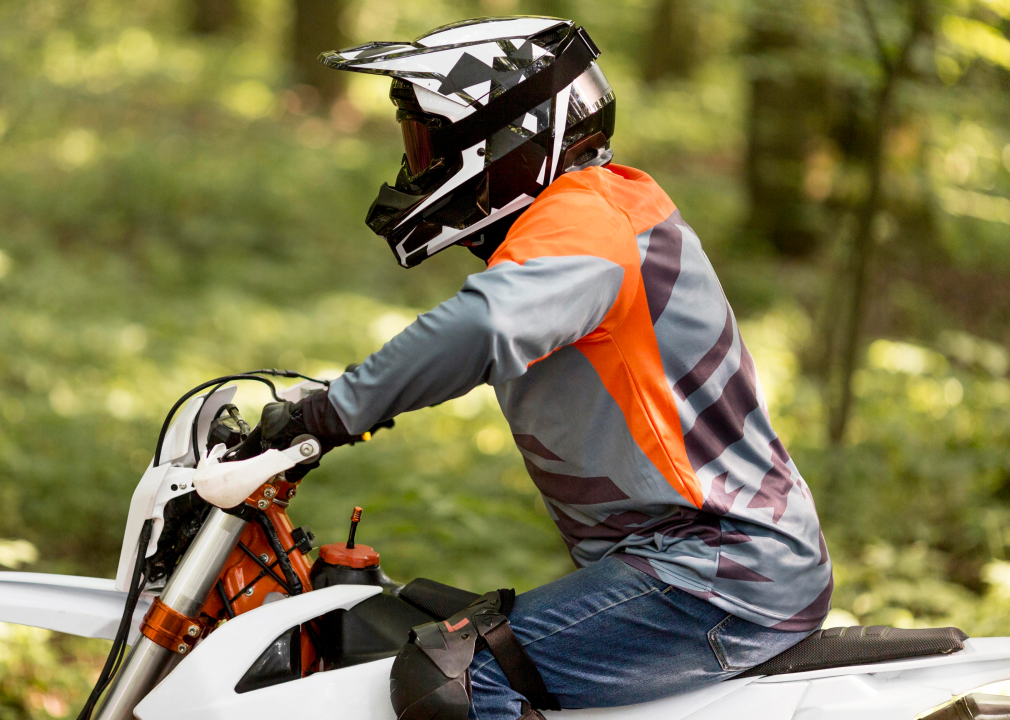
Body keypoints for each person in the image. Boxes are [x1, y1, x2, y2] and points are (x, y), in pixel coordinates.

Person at [259, 16, 831, 720]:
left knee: (453, 673)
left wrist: (329, 414)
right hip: (705, 564)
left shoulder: (585, 217)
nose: (419, 168)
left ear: (507, 140)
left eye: (431, 146)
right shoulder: (603, 207)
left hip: (713, 574)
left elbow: (485, 324)